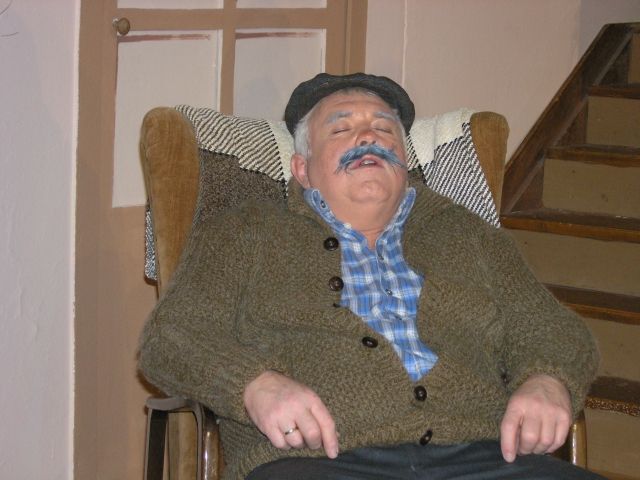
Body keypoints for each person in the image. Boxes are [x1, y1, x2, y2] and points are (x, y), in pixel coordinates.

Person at [139, 72, 602, 480]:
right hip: (318, 460)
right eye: (341, 129)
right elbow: (172, 337)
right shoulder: (246, 232)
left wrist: (547, 381)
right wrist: (254, 384)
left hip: (483, 455)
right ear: (302, 169)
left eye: (384, 129)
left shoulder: (468, 234)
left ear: (403, 160)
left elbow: (552, 328)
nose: (367, 137)